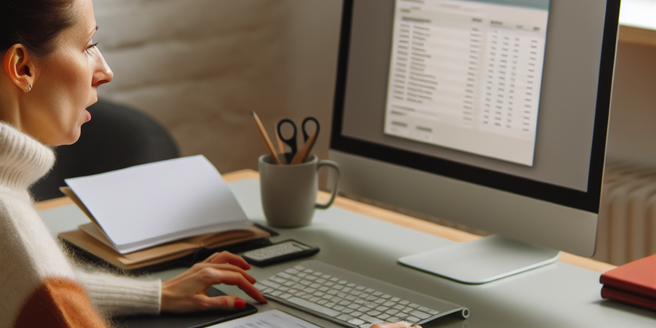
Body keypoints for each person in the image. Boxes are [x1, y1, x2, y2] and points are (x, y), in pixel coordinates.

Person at [0, 0, 420, 327]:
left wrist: (156, 295)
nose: (105, 71)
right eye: (88, 44)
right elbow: (36, 281)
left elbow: (32, 289)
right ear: (22, 66)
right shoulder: (9, 222)